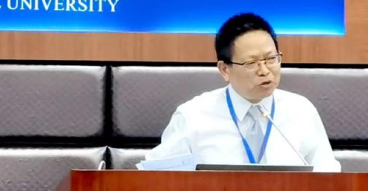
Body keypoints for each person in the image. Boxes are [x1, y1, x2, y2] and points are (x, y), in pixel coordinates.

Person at [146, 13, 341, 171]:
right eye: (251, 63)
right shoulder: (192, 116)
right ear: (225, 69)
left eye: (271, 59)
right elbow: (159, 181)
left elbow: (329, 177)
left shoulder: (301, 111)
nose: (264, 70)